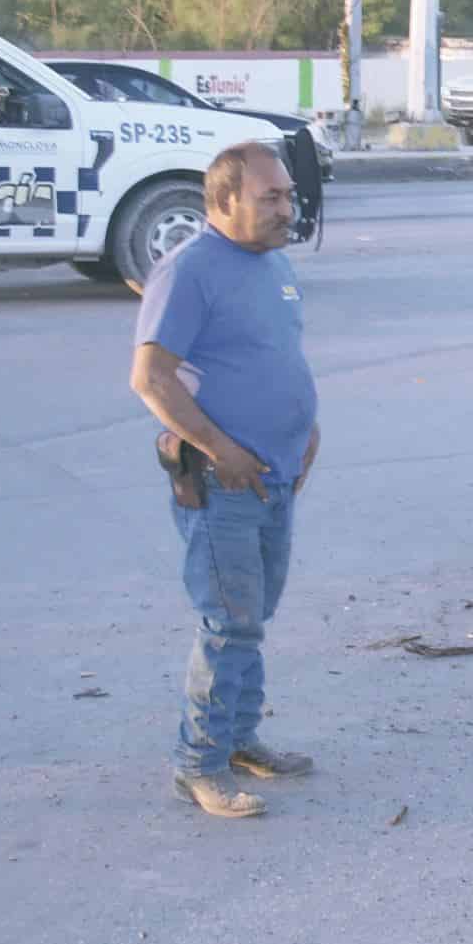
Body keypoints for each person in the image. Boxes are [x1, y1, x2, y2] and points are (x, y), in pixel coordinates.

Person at [128, 142, 321, 819]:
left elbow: (277, 353)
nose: (286, 210)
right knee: (227, 622)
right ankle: (198, 764)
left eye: (288, 196)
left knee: (252, 618)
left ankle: (239, 740)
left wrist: (308, 427)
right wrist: (217, 448)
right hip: (223, 485)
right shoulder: (189, 271)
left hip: (277, 475)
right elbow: (150, 377)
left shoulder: (274, 264)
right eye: (270, 198)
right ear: (224, 201)